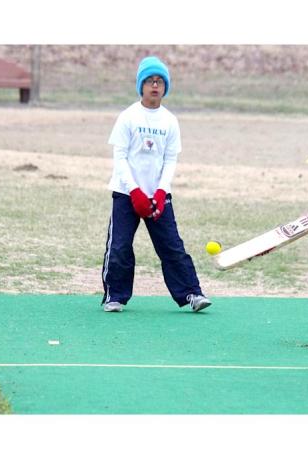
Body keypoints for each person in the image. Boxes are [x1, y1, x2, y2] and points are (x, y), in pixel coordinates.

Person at [101, 56, 211, 313]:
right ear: (141, 86)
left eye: (159, 81)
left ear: (165, 87)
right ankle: (114, 296)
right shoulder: (128, 116)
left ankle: (192, 294)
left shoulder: (170, 121)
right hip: (127, 194)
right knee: (119, 246)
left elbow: (170, 159)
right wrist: (135, 191)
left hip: (158, 196)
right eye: (149, 81)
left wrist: (160, 191)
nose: (154, 85)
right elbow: (119, 157)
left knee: (172, 246)